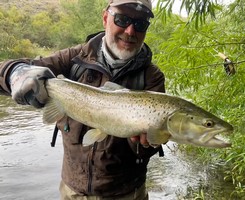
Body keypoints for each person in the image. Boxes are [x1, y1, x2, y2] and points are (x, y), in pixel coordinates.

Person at [0, 0, 165, 199]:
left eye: (140, 24)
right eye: (122, 19)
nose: (130, 31)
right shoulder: (73, 58)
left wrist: (146, 143)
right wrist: (15, 73)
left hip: (126, 193)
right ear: (105, 18)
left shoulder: (152, 76)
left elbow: (144, 153)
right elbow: (12, 69)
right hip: (72, 192)